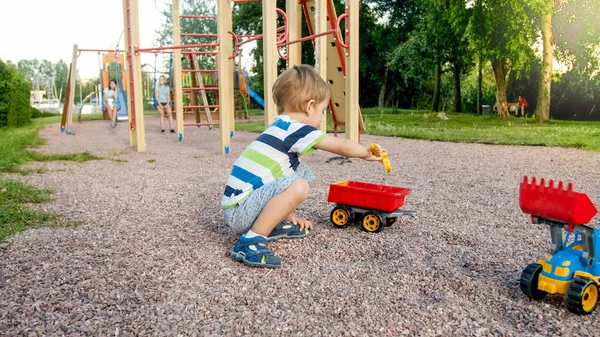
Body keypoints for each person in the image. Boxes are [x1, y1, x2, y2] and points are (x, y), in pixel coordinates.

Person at [221, 64, 384, 269]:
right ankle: (251, 241)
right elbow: (340, 145)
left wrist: (290, 216)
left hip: (240, 206)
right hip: (241, 211)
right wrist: (366, 153)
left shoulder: (280, 127)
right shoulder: (296, 129)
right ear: (310, 106)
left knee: (299, 170)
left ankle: (278, 222)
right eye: (322, 111)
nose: (321, 117)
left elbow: (277, 180)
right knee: (299, 185)